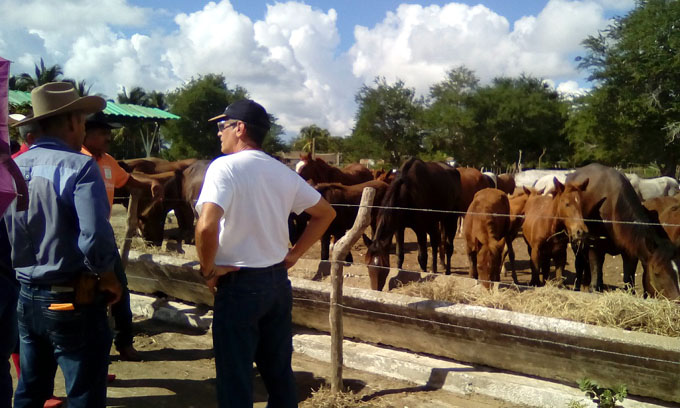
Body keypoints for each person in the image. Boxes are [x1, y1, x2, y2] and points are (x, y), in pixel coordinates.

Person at [195, 99, 336, 407]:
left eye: (223, 126)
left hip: (238, 285)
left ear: (240, 129)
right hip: (276, 284)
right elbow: (325, 213)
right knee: (279, 374)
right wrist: (295, 254)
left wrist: (207, 271)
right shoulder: (282, 172)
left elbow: (206, 227)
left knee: (235, 378)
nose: (219, 133)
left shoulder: (224, 168)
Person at [5, 82, 122, 408]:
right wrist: (108, 275)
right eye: (83, 121)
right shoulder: (80, 167)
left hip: (26, 295)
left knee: (29, 388)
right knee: (84, 391)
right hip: (72, 298)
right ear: (72, 121)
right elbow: (94, 235)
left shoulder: (12, 167)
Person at [81, 111, 163, 362]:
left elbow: (127, 181)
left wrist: (149, 183)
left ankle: (124, 343)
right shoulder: (77, 159)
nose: (109, 137)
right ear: (86, 133)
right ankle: (91, 352)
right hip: (79, 238)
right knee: (87, 294)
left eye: (109, 132)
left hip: (103, 236)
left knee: (120, 289)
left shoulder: (107, 161)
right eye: (103, 133)